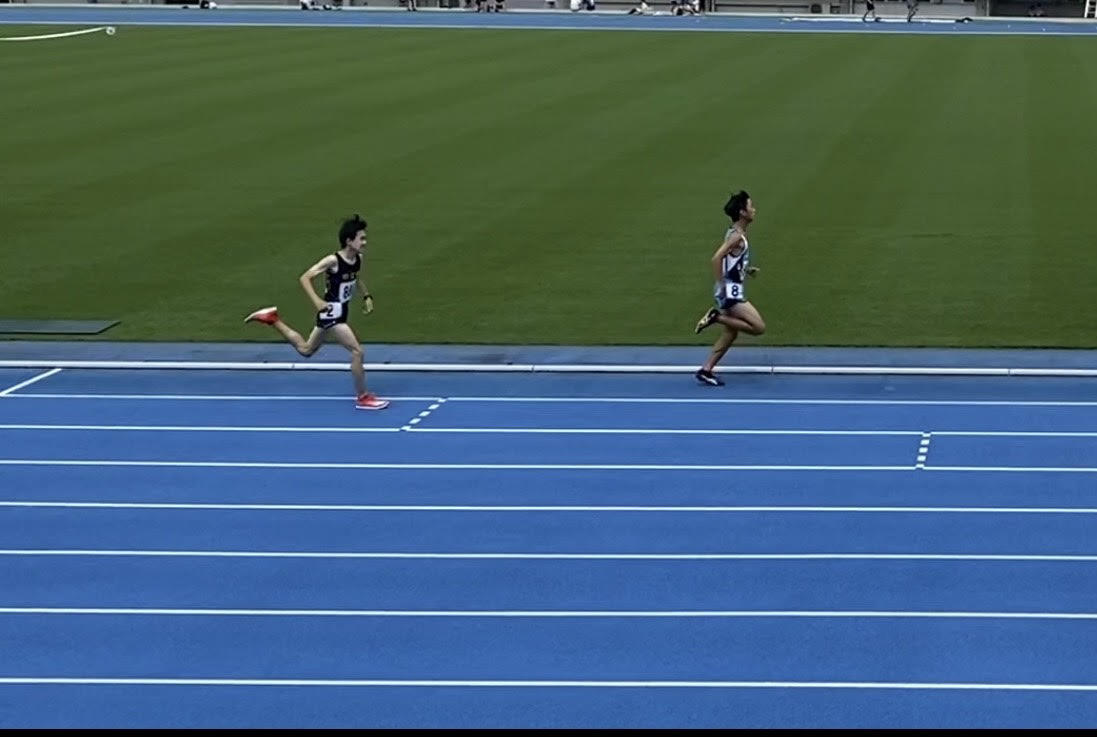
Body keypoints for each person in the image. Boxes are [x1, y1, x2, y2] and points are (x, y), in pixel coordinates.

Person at [244, 214, 390, 410]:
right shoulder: (333, 260)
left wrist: (366, 295)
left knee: (306, 350)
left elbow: (355, 278)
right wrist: (318, 302)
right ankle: (363, 397)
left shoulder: (358, 259)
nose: (365, 242)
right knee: (357, 351)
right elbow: (305, 278)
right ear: (349, 240)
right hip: (331, 312)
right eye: (361, 238)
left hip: (341, 310)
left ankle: (272, 319)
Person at [693, 190, 766, 387]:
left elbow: (730, 260)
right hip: (731, 293)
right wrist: (721, 285)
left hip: (731, 289)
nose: (754, 210)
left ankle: (706, 370)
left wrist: (745, 269)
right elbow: (716, 258)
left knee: (730, 333)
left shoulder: (734, 233)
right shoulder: (737, 237)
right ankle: (716, 317)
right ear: (742, 212)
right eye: (750, 206)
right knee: (758, 327)